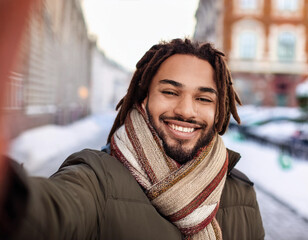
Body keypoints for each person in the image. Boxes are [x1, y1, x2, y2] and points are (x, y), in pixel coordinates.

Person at [0, 39, 264, 240]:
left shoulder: (241, 193)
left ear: (218, 110)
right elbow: (46, 212)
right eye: (171, 92)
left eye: (204, 98)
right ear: (144, 98)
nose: (186, 110)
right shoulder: (96, 180)